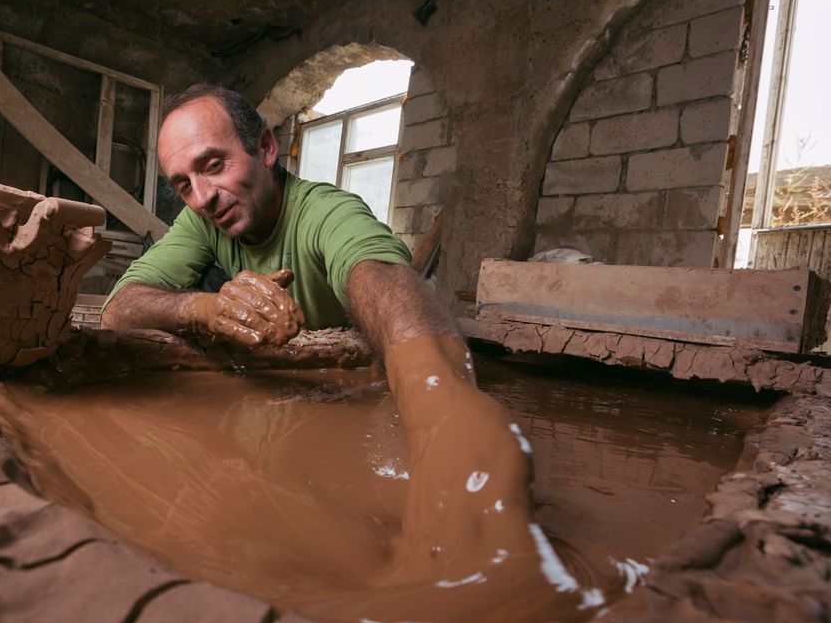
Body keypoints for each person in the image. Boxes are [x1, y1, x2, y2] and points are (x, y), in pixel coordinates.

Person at [102, 85, 552, 588]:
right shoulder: (204, 222)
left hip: (344, 396)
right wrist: (206, 308)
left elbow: (380, 276)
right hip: (275, 407)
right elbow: (119, 308)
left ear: (266, 150)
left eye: (213, 165)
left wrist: (444, 412)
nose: (203, 196)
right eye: (183, 184)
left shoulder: (326, 213)